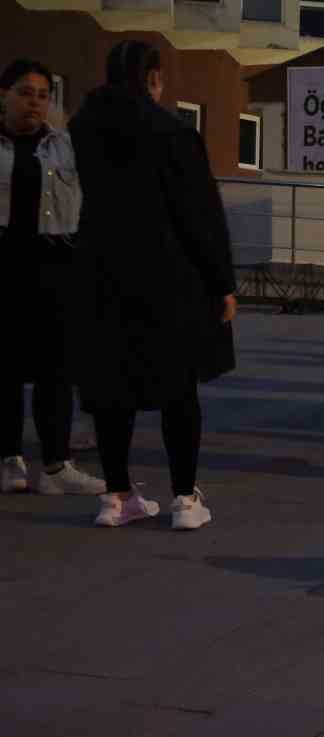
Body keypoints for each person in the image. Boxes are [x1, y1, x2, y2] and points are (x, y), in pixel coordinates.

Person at [69, 41, 236, 529]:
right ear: (154, 78)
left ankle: (116, 496)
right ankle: (185, 498)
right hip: (169, 276)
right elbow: (199, 213)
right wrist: (221, 282)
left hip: (99, 269)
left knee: (109, 387)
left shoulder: (82, 128)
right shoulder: (173, 132)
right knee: (177, 387)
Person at [0, 59, 106, 497]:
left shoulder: (66, 147)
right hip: (4, 268)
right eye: (25, 92)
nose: (35, 102)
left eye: (43, 95)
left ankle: (57, 465)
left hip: (56, 269)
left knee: (56, 370)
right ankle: (9, 461)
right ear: (3, 96)